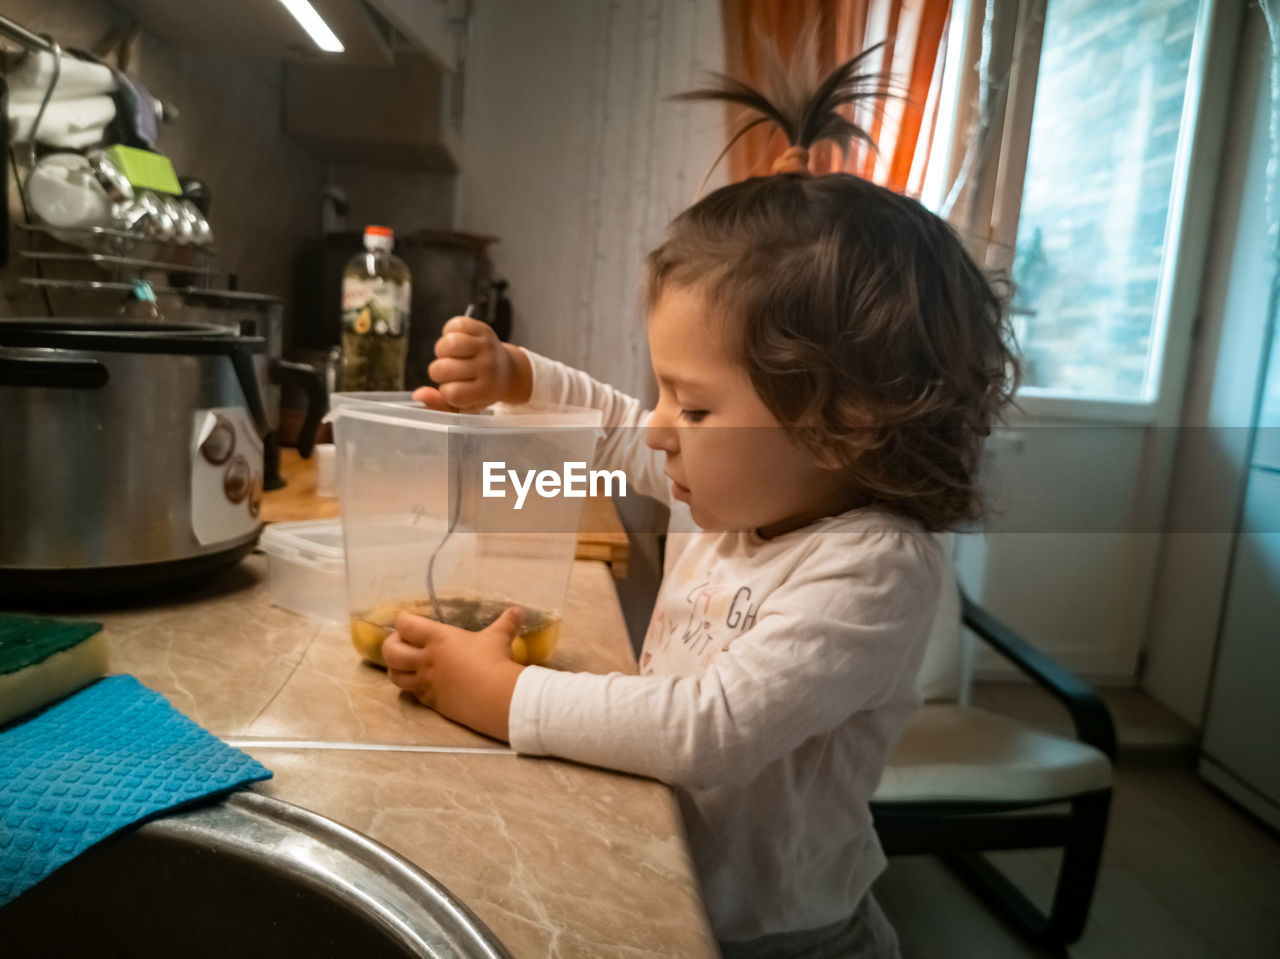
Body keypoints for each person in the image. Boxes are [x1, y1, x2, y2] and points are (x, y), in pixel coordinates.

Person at [381, 47, 1019, 959]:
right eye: (663, 389)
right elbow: (608, 426)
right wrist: (517, 377)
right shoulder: (734, 491)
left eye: (695, 403)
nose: (658, 426)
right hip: (686, 878)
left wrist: (507, 693)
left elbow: (706, 730)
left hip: (784, 934)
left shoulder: (874, 566)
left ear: (839, 426)